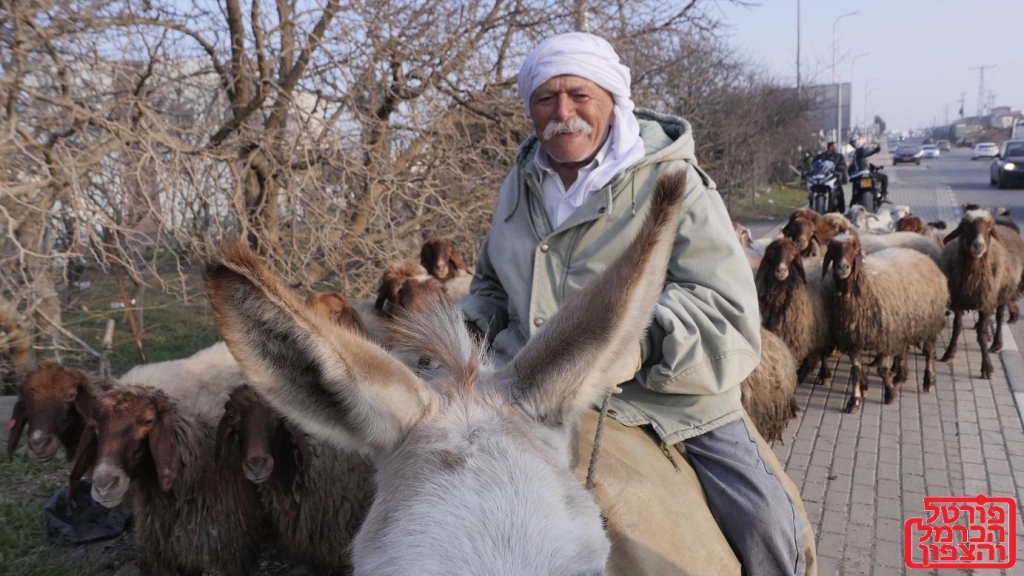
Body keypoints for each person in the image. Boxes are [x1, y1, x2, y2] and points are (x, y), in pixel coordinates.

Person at [460, 32, 813, 575]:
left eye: (580, 95)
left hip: (667, 404)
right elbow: (488, 288)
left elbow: (724, 306)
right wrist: (457, 344)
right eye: (545, 99)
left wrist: (638, 342)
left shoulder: (676, 181)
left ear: (612, 99)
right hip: (523, 389)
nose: (563, 113)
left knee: (769, 527)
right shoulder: (520, 183)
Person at [847, 134, 889, 200]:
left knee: (854, 192)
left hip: (854, 176)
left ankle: (853, 201)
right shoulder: (860, 150)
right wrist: (875, 150)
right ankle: (884, 196)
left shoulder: (851, 154)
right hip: (864, 173)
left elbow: (850, 168)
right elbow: (866, 154)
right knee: (884, 177)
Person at [812, 141, 848, 212]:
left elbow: (843, 165)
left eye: (835, 146)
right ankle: (813, 204)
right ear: (829, 147)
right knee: (813, 189)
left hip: (834, 177)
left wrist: (839, 171)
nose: (835, 148)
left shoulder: (839, 156)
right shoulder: (821, 156)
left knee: (839, 192)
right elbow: (815, 164)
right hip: (823, 178)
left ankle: (841, 210)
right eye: (833, 146)